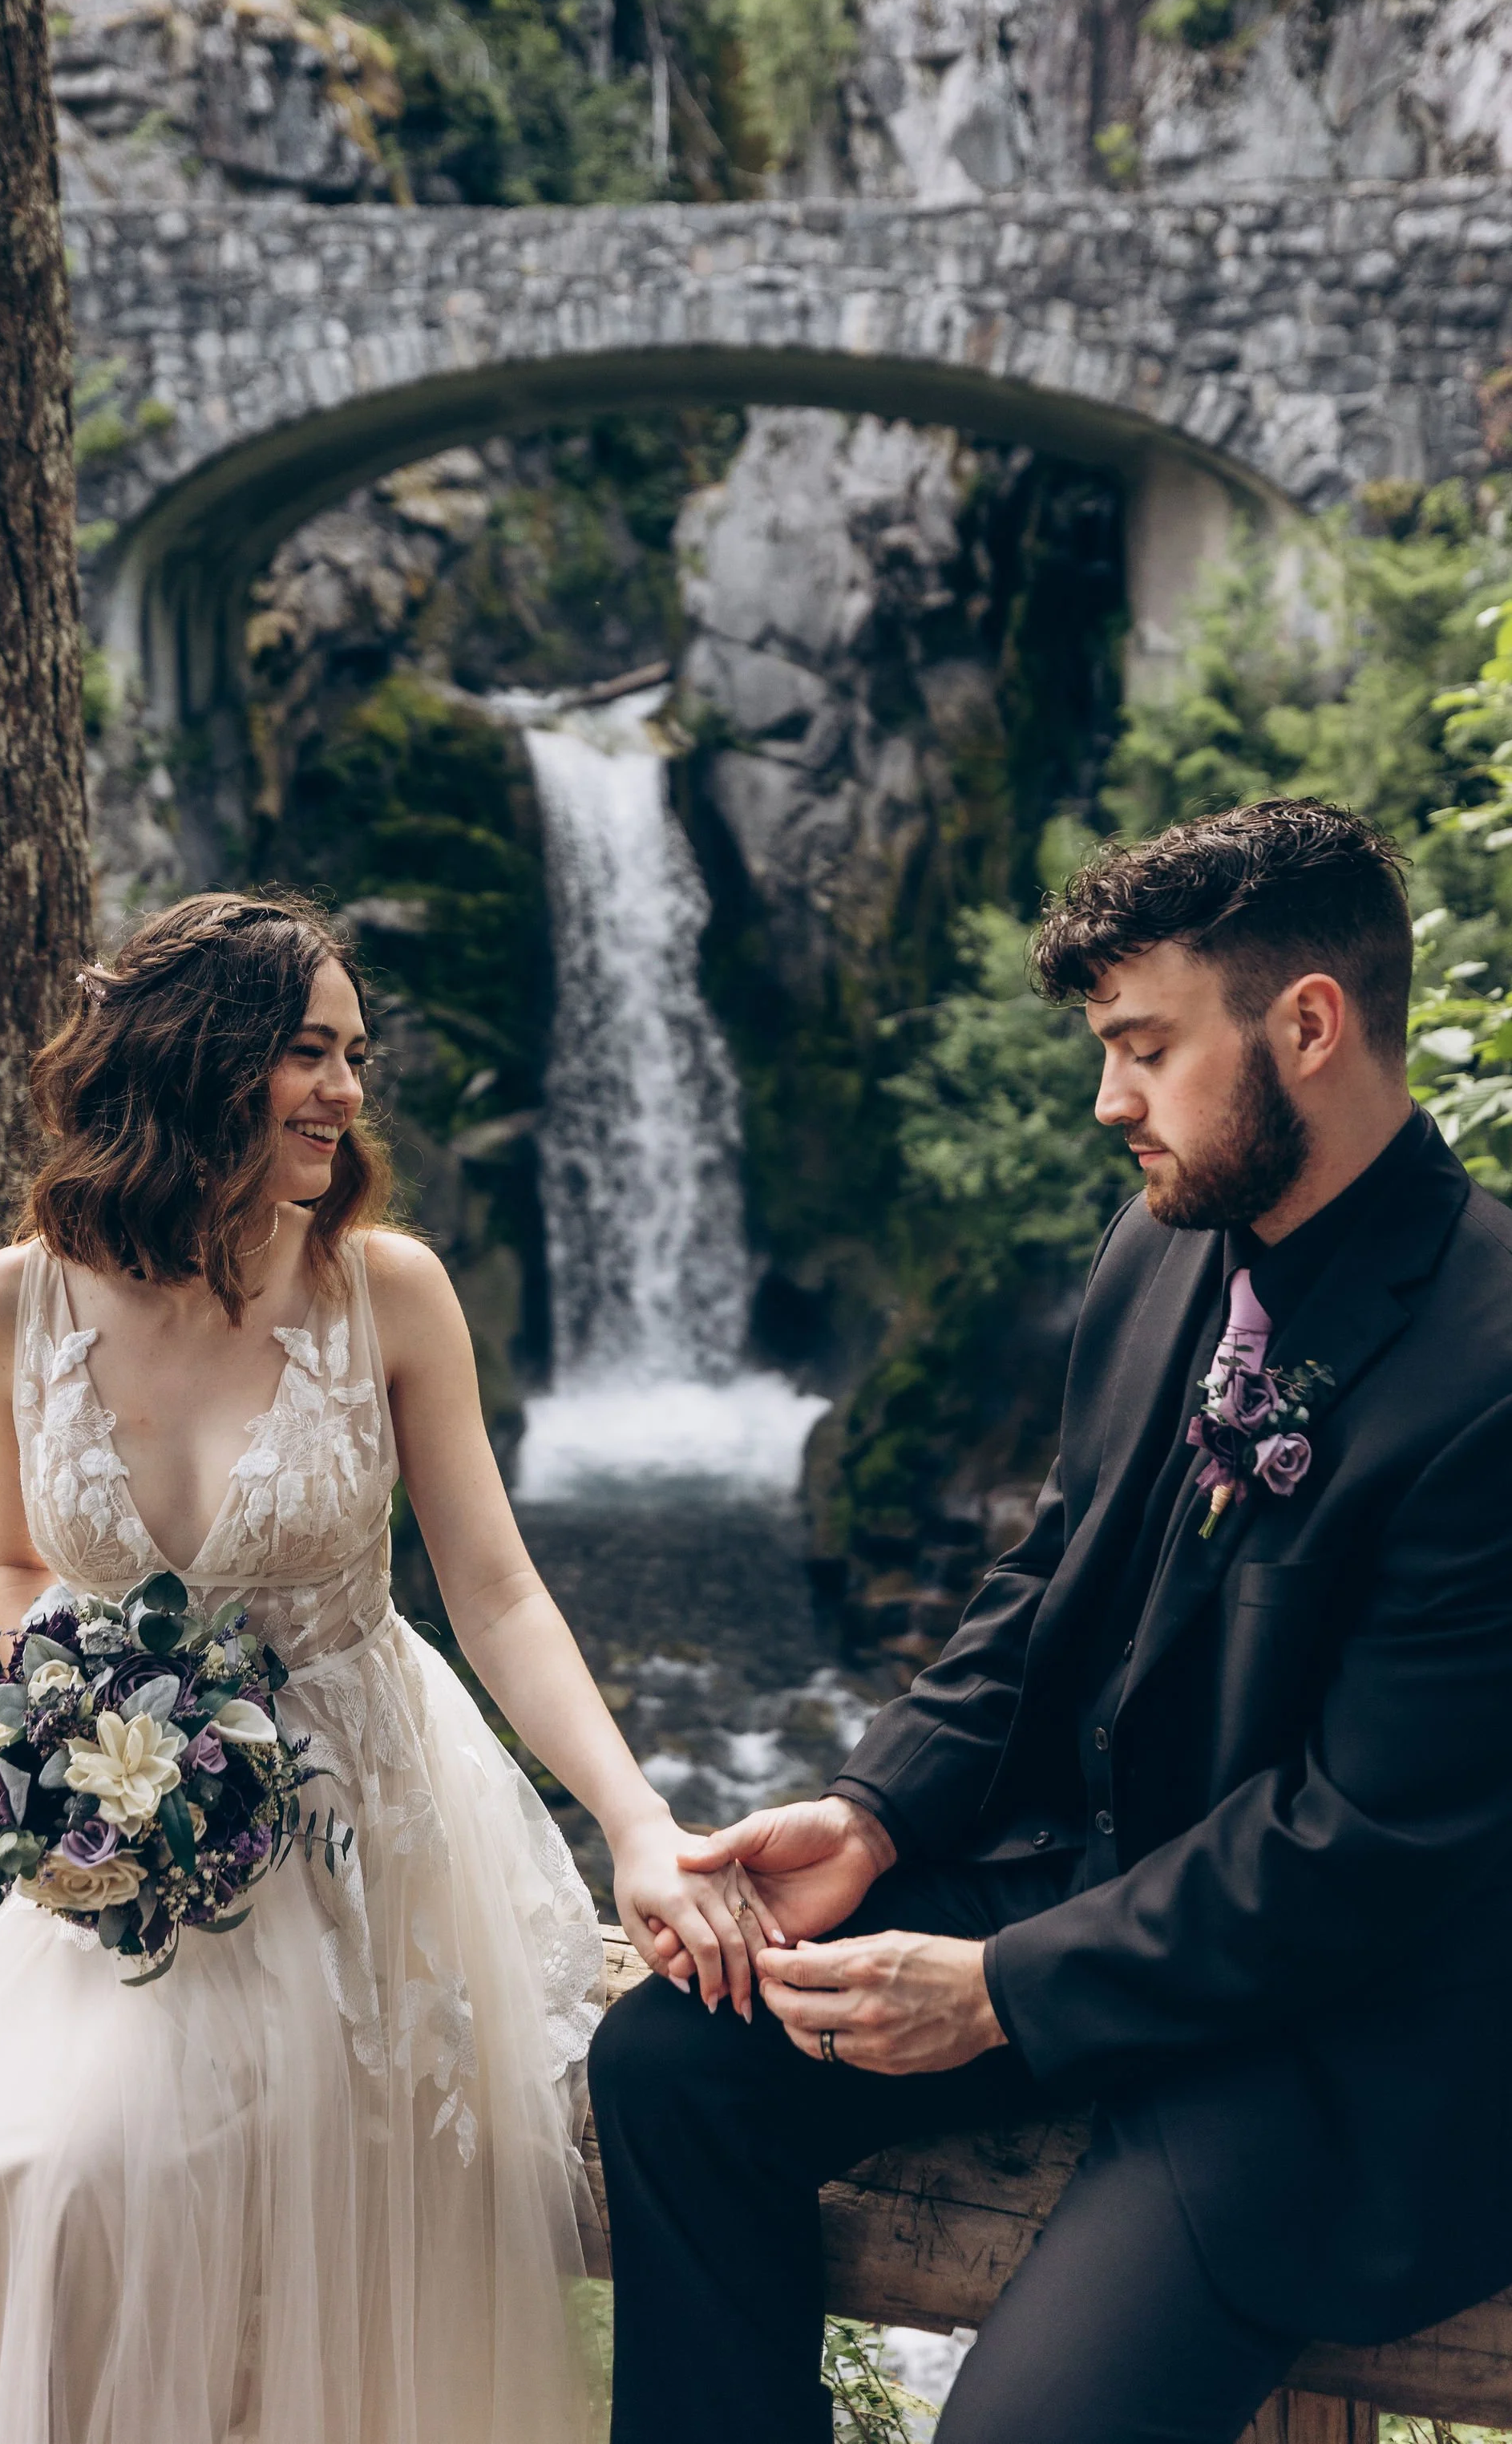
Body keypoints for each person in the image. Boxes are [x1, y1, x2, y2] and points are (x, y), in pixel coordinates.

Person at [593, 797, 1512, 2444]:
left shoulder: (1493, 1363)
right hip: (1086, 1884)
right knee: (676, 2064)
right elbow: (1053, 1576)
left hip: (1322, 2033)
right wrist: (878, 1813)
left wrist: (1004, 1985)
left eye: (1145, 1050)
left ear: (1306, 1026)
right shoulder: (1160, 1246)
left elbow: (1364, 1840)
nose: (1109, 1103)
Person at [0, 892, 770, 2444]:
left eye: (355, 1053)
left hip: (356, 1838)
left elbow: (495, 1595)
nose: (349, 1092)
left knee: (222, 2235)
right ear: (189, 1059)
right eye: (307, 1051)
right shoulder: (8, 1303)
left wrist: (634, 1821)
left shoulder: (387, 1288)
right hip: (98, 1839)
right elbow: (21, 1567)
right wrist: (74, 1725)